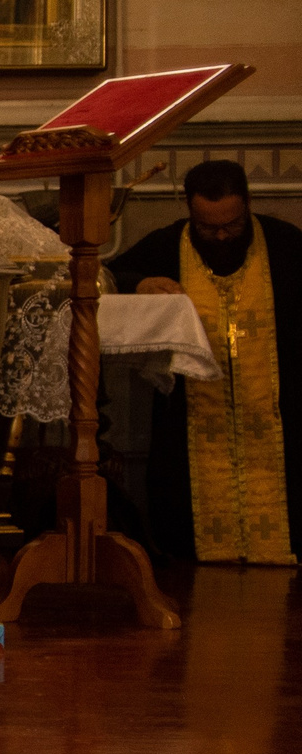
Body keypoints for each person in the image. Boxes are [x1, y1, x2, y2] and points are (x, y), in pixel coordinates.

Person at [108, 160, 302, 565]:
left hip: (279, 411)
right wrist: (139, 284)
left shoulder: (286, 245)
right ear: (189, 211)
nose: (220, 235)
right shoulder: (167, 245)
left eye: (230, 225)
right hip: (191, 416)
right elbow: (106, 275)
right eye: (207, 226)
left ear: (247, 204)